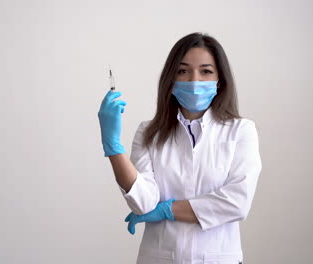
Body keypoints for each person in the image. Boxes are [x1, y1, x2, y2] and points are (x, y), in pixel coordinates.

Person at [98, 32, 262, 264]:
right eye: (183, 71)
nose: (194, 80)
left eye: (206, 71)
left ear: (220, 80)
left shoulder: (240, 130)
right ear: (171, 79)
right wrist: (113, 146)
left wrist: (168, 210)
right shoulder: (149, 132)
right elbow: (143, 203)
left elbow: (237, 202)